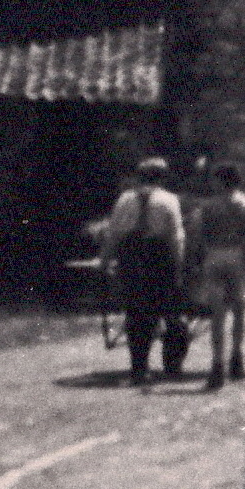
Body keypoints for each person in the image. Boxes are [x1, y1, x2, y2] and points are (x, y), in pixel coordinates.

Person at [101, 157, 188, 385]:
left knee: (136, 312)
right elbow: (176, 237)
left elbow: (113, 233)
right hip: (158, 257)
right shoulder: (169, 200)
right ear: (162, 178)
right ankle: (172, 365)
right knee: (171, 310)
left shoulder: (124, 200)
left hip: (131, 258)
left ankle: (139, 367)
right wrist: (178, 267)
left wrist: (105, 261)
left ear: (139, 177)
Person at [191, 164, 245, 390]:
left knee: (217, 315)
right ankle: (236, 359)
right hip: (238, 257)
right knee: (238, 311)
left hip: (213, 256)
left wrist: (194, 261)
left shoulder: (207, 206)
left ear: (220, 182)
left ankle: (217, 365)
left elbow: (196, 236)